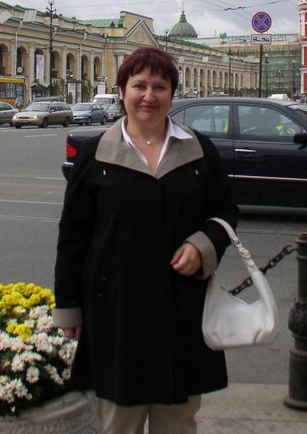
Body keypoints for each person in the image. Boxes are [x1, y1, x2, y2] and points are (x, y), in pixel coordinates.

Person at [54, 46, 237, 434]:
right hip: (116, 312)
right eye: (139, 85)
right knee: (119, 421)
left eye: (160, 86)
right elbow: (73, 235)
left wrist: (203, 244)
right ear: (122, 92)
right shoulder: (96, 154)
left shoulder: (199, 150)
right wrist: (68, 307)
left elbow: (225, 212)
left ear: (172, 94)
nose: (149, 96)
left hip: (181, 309)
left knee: (178, 420)